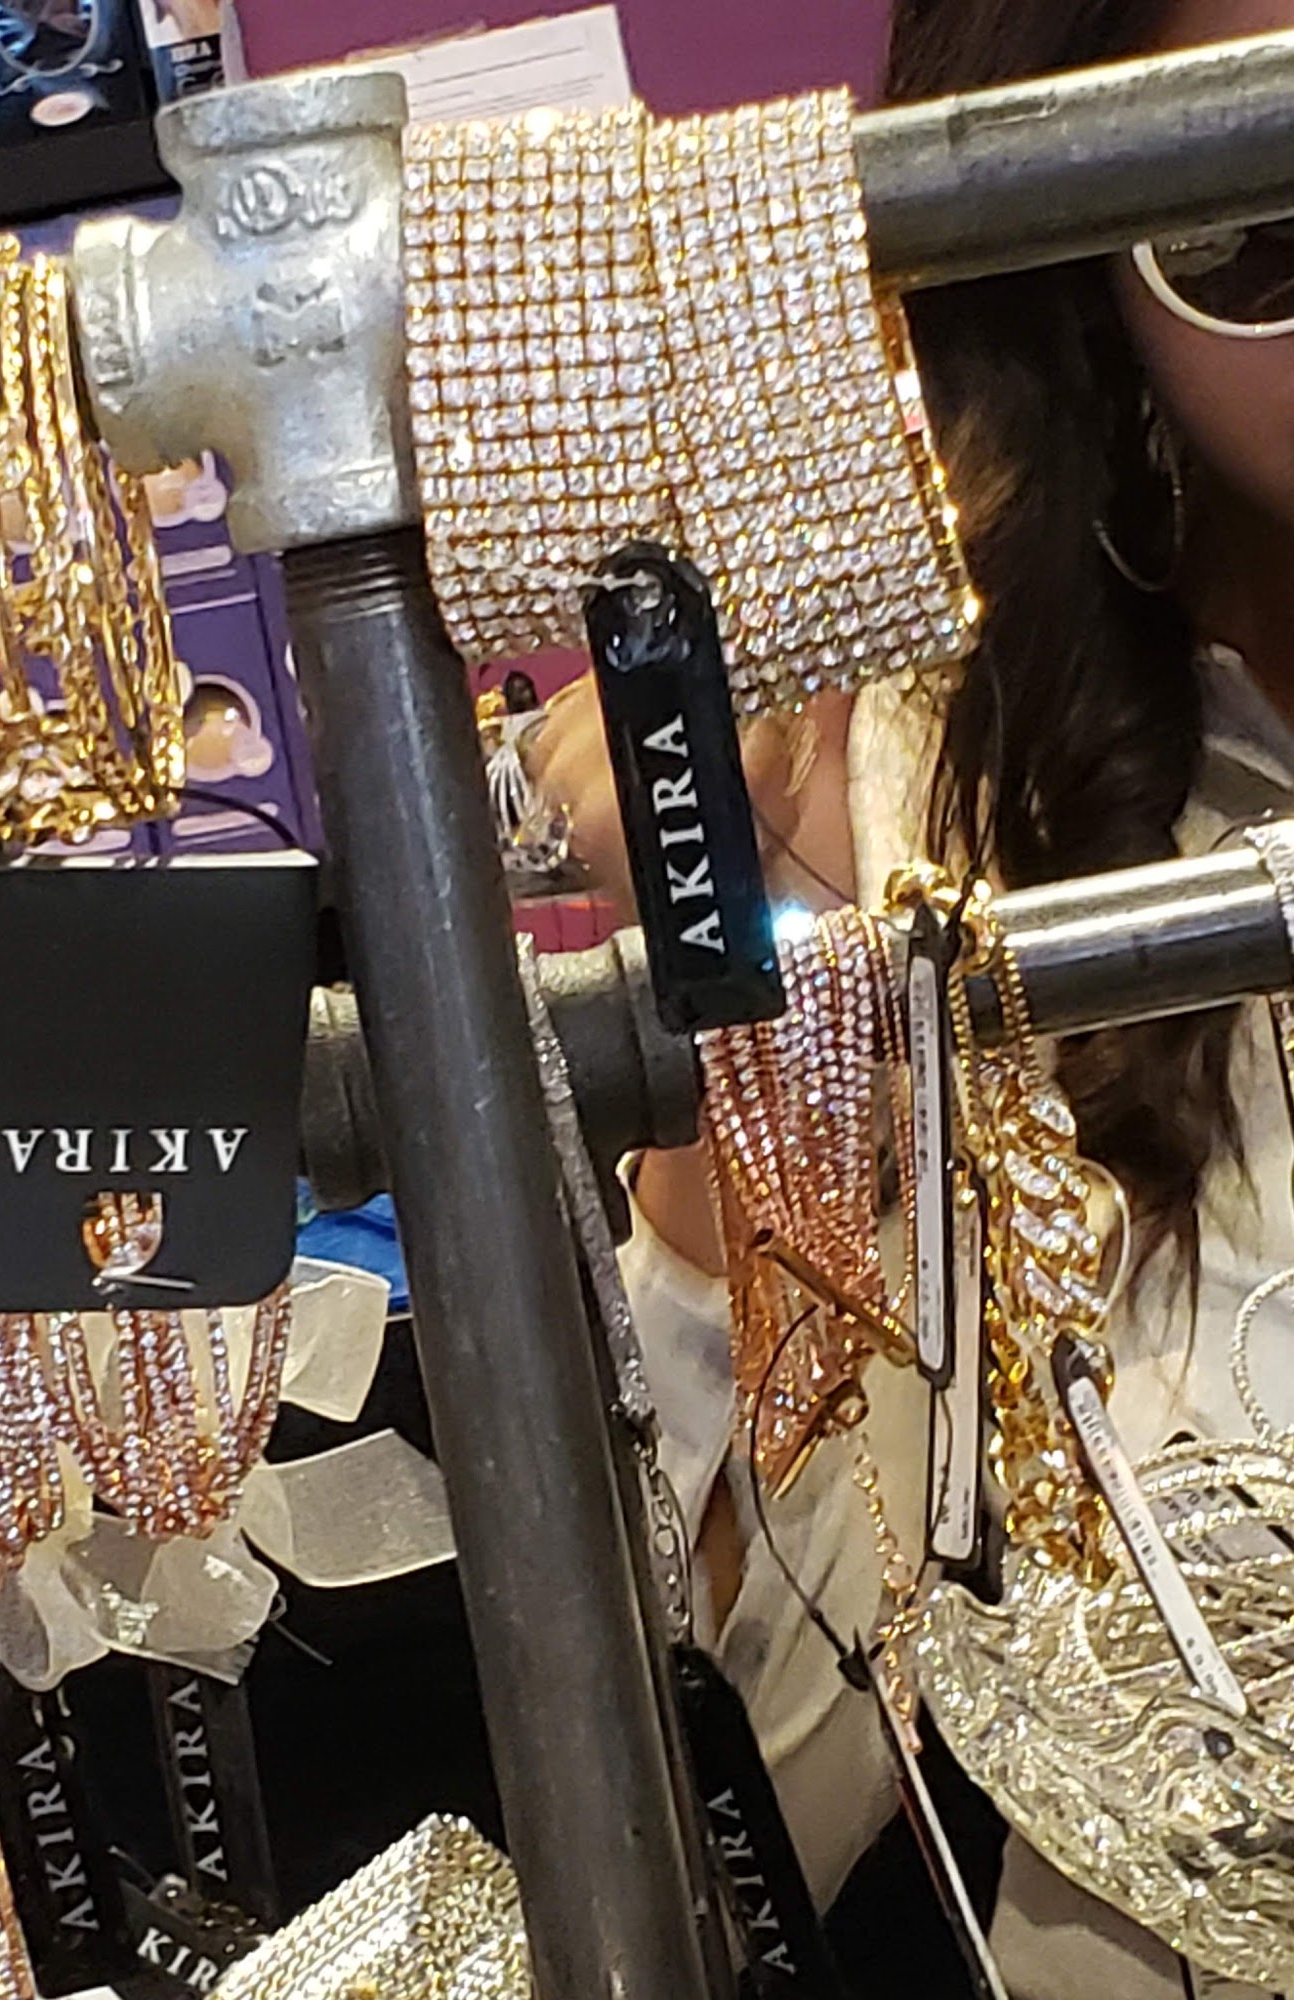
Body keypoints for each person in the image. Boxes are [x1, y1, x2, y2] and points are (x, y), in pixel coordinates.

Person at [528, 2, 1294, 1995]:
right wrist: (740, 1080)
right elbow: (770, 1779)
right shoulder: (917, 807)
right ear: (1088, 278)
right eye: (1260, 232)